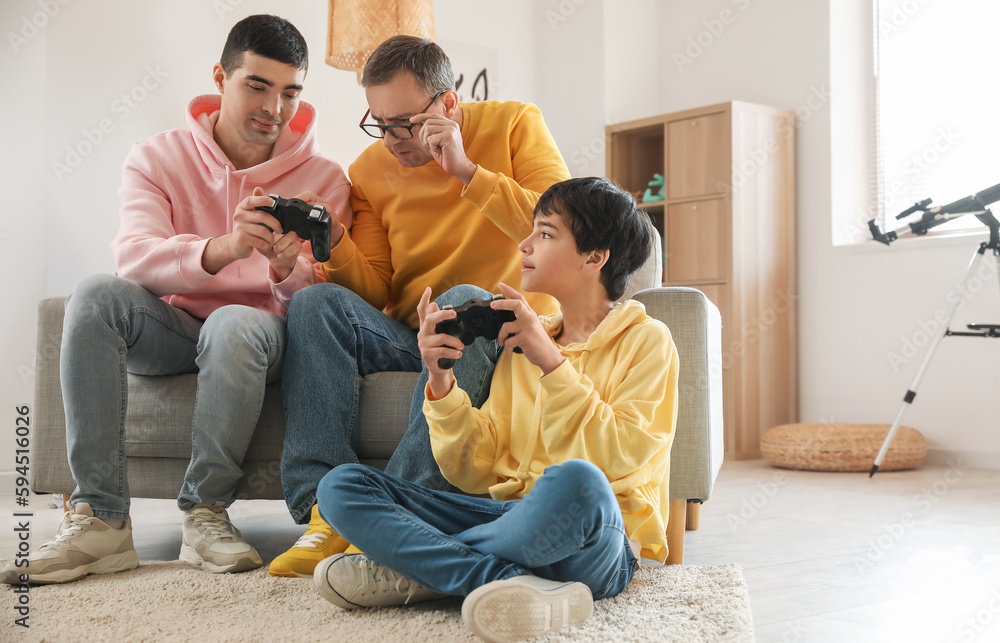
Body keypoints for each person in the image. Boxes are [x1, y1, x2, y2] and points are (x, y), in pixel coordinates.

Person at [0, 15, 351, 585]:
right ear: (220, 76)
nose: (275, 108)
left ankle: (205, 513)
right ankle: (100, 520)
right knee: (92, 294)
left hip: (258, 335)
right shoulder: (157, 157)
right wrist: (225, 248)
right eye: (257, 86)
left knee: (235, 322)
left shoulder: (324, 177)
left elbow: (322, 304)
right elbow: (135, 259)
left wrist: (286, 271)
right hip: (172, 326)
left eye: (290, 92)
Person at [311, 177, 678, 642]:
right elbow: (477, 470)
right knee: (342, 486)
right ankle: (504, 582)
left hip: (594, 535)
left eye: (545, 233)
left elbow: (620, 455)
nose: (524, 244)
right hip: (505, 521)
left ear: (594, 257)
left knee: (577, 481)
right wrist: (441, 380)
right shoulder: (520, 342)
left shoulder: (647, 341)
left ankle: (422, 571)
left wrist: (551, 361)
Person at [272, 35, 570, 577]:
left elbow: (560, 232)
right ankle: (324, 513)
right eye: (378, 123)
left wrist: (467, 173)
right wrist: (334, 241)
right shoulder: (367, 170)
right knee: (316, 302)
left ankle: (390, 516)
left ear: (448, 105)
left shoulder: (514, 124)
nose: (390, 140)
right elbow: (377, 291)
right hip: (415, 338)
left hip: (503, 331)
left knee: (461, 301)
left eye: (402, 124)